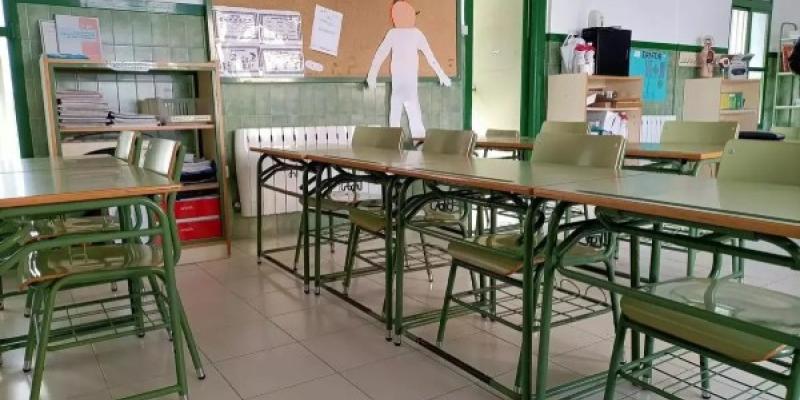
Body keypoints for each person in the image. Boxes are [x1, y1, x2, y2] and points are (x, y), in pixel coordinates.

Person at [366, 0, 451, 138]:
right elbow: (430, 57)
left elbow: (380, 55)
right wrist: (371, 75)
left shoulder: (401, 34)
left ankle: (410, 148)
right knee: (406, 121)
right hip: (403, 86)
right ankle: (408, 147)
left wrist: (442, 75)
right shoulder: (404, 34)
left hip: (405, 86)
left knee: (402, 121)